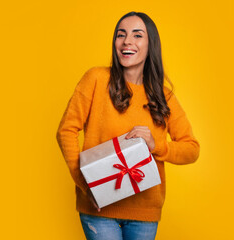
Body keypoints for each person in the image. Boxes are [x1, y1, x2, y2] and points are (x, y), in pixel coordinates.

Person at [56, 11, 200, 240]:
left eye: (137, 35)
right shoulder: (96, 79)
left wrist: (157, 145)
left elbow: (192, 149)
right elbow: (66, 130)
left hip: (145, 212)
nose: (127, 42)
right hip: (99, 208)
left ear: (150, 43)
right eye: (121, 35)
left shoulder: (165, 97)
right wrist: (86, 185)